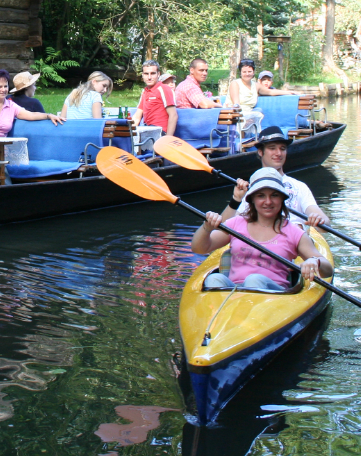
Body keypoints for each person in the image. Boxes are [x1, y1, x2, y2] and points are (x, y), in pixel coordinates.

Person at [192, 167, 333, 291]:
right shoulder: (236, 224)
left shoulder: (294, 232)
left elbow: (328, 270)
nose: (268, 202)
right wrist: (207, 228)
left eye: (274, 195)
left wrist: (316, 261)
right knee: (214, 279)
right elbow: (200, 249)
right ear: (252, 199)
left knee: (254, 280)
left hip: (271, 297)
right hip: (233, 296)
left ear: (282, 199)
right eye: (261, 196)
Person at [218, 126, 330, 226]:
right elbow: (224, 228)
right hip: (261, 242)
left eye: (282, 149)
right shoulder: (250, 188)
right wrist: (236, 200)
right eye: (272, 148)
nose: (278, 153)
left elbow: (325, 223)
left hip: (294, 241)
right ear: (261, 152)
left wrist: (319, 219)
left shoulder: (299, 186)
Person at [0, 69, 64, 136]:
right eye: (0, 86)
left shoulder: (11, 106)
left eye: (5, 86)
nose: (3, 90)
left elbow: (31, 115)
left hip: (3, 149)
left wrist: (48, 116)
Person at [131, 60, 178, 137]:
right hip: (147, 130)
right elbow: (137, 117)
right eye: (146, 74)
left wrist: (168, 138)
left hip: (160, 133)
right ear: (142, 75)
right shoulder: (145, 91)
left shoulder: (164, 89)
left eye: (152, 73)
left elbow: (173, 115)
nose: (149, 77)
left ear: (158, 74)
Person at [226, 59, 264, 134]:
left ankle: (253, 138)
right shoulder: (235, 84)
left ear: (253, 72)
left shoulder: (256, 85)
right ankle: (241, 137)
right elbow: (236, 105)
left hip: (250, 115)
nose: (247, 74)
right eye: (244, 72)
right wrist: (246, 119)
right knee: (252, 116)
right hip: (235, 115)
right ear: (240, 73)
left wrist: (291, 92)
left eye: (249, 71)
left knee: (258, 112)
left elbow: (271, 92)